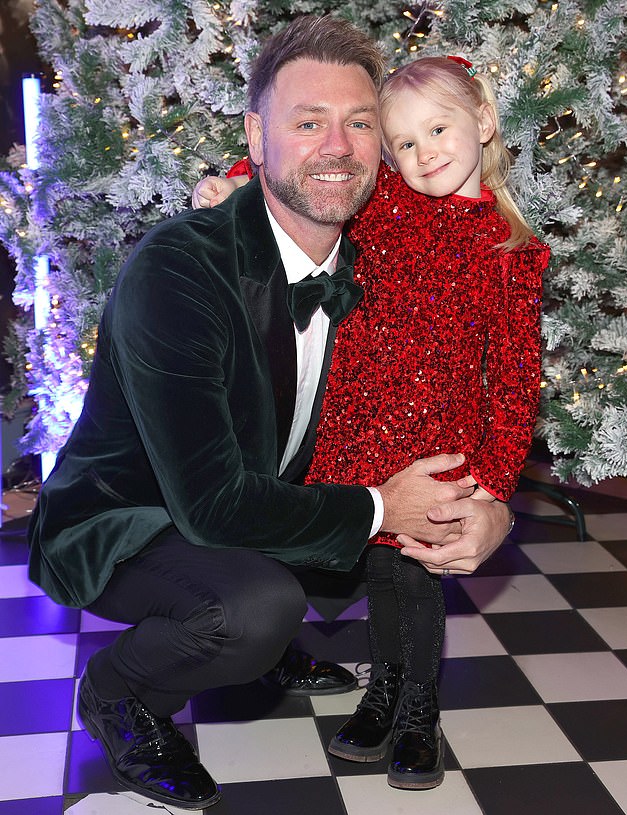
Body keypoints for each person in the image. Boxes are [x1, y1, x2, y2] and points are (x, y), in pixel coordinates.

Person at [27, 16, 514, 812]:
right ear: (256, 137)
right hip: (133, 518)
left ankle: (265, 632)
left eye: (360, 123)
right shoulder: (178, 270)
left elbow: (456, 393)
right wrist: (385, 506)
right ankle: (120, 691)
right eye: (307, 122)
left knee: (362, 557)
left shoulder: (381, 257)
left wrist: (490, 507)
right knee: (255, 608)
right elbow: (210, 502)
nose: (338, 147)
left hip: (260, 496)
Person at [193, 54, 549, 792]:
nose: (425, 154)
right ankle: (383, 687)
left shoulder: (512, 251)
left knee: (418, 577)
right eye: (404, 143)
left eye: (439, 130)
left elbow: (516, 379)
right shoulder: (384, 200)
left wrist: (492, 483)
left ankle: (419, 707)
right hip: (359, 432)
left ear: (484, 122)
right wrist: (236, 181)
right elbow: (316, 169)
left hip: (442, 452)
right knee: (380, 571)